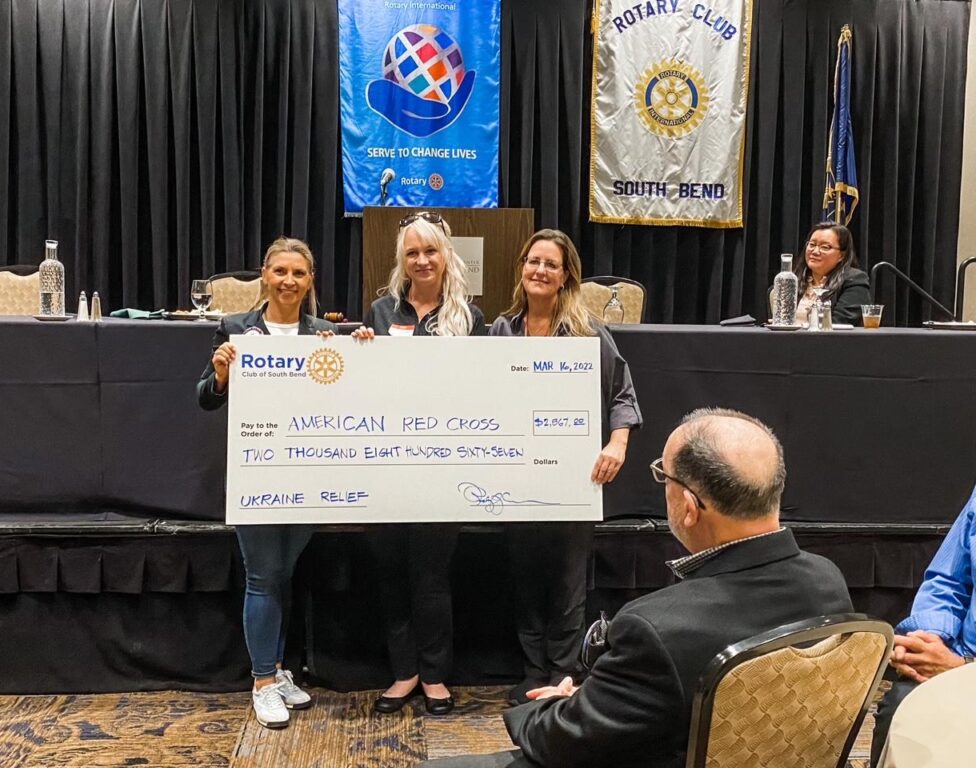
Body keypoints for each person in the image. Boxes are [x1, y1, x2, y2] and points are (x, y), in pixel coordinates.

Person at [420, 408, 853, 768]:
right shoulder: (828, 581)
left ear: (689, 508)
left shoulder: (656, 629)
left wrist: (551, 706)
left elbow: (561, 744)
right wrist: (602, 696)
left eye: (664, 476)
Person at [490, 229, 642, 705]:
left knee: (567, 579)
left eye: (550, 264)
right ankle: (532, 670)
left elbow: (622, 394)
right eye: (533, 261)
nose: (539, 270)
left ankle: (562, 674)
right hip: (516, 476)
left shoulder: (586, 333)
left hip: (573, 478)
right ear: (521, 268)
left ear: (565, 277)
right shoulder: (502, 330)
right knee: (524, 575)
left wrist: (617, 444)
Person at [197, 236, 336, 729]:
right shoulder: (236, 328)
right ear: (264, 275)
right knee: (262, 575)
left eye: (298, 273)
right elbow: (205, 398)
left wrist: (360, 351)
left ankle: (276, 671)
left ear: (310, 280)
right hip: (257, 473)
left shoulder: (324, 334)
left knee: (282, 574)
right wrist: (220, 374)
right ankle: (260, 683)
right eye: (280, 271)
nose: (288, 281)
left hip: (308, 472)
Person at [352, 211, 486, 716]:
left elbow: (481, 391)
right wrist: (361, 351)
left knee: (431, 576)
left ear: (446, 256)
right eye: (413, 252)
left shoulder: (470, 318)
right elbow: (364, 385)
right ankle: (403, 672)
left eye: (431, 251)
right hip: (386, 465)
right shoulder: (380, 312)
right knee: (390, 573)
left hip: (441, 468)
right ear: (401, 260)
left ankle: (434, 675)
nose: (422, 260)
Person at [870, 483, 976, 763]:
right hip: (958, 656)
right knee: (900, 707)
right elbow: (949, 580)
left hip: (965, 666)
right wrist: (928, 640)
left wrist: (963, 669)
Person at [791, 221, 871, 326]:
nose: (815, 251)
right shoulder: (794, 279)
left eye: (825, 247)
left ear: (842, 255)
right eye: (812, 245)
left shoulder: (855, 280)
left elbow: (840, 323)